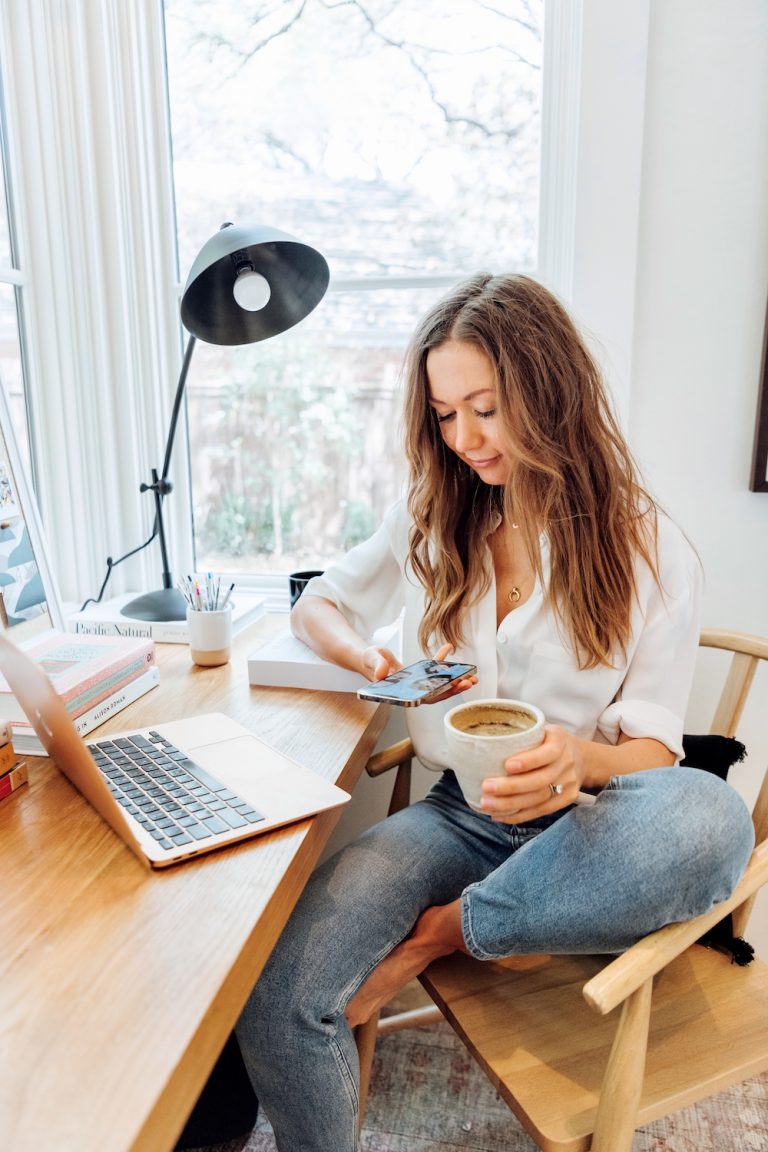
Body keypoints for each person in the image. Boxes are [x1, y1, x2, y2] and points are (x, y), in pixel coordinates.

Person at [235, 273, 754, 1151]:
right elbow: (317, 605)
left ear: (549, 395)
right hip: (453, 818)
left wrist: (580, 761)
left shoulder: (647, 545)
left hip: (586, 830)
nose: (467, 439)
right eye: (445, 415)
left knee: (711, 819)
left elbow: (657, 755)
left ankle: (451, 932)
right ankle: (496, 922)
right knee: (280, 993)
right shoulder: (434, 516)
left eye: (486, 408)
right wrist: (370, 658)